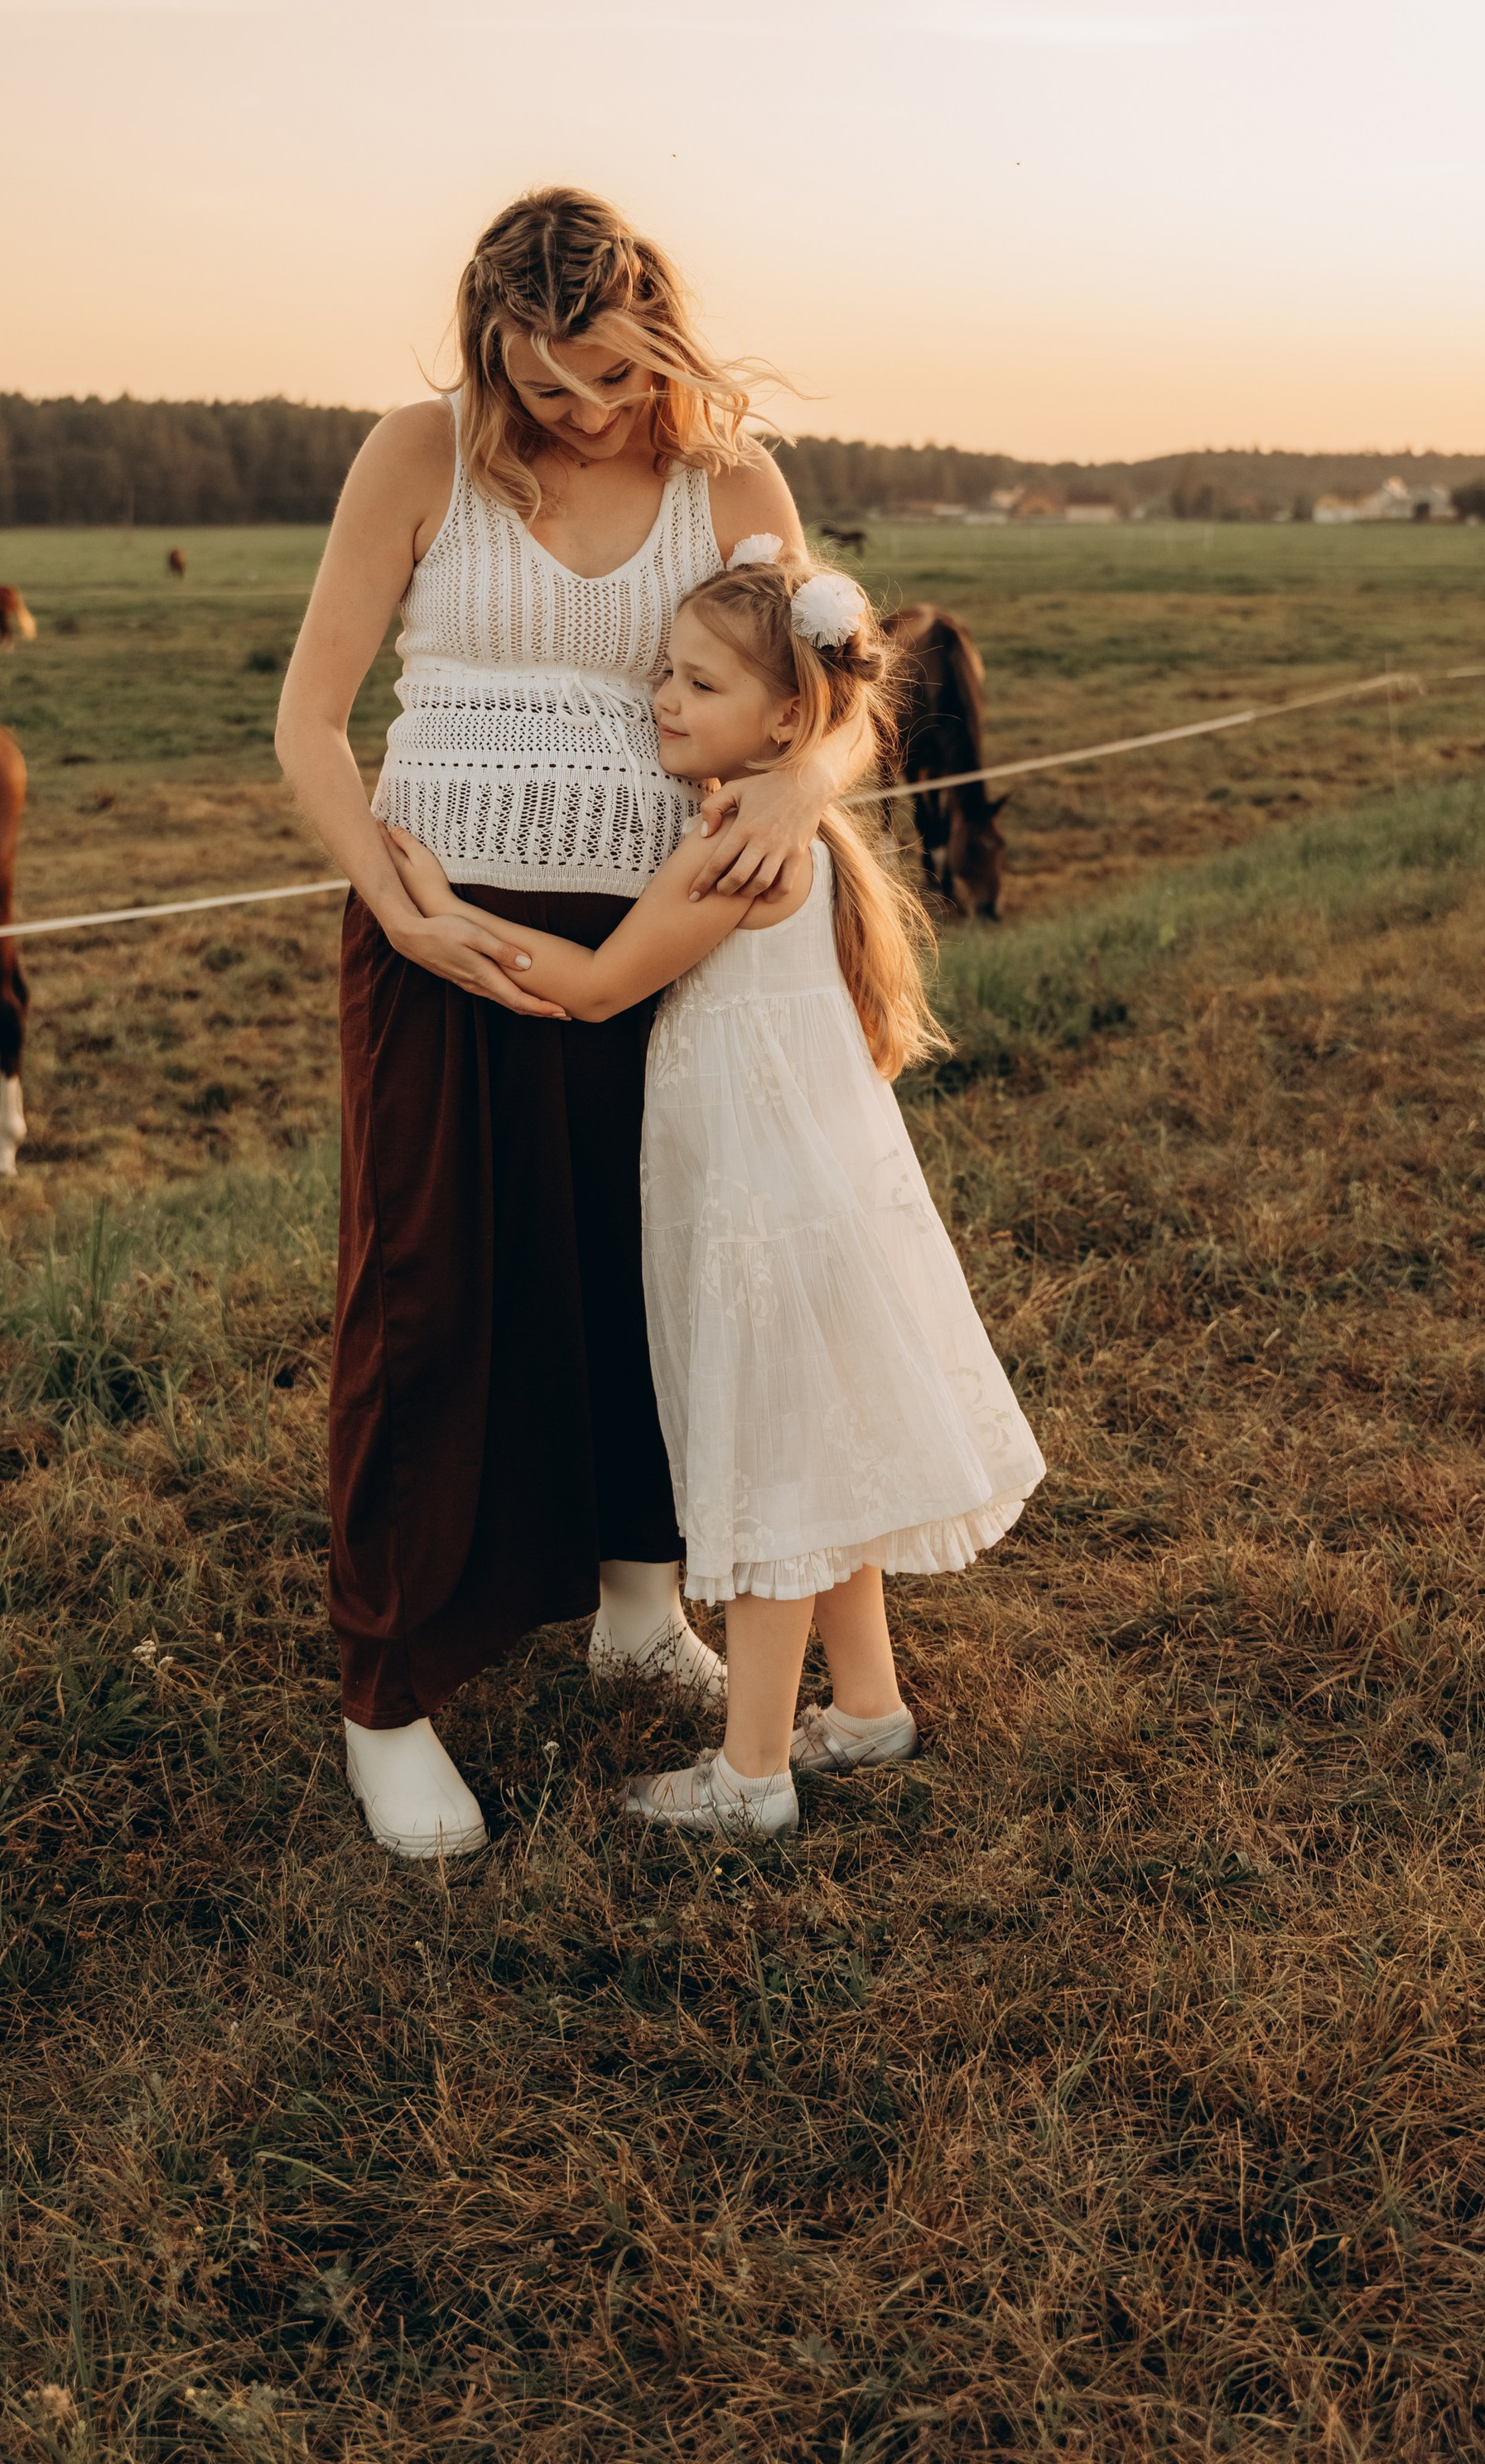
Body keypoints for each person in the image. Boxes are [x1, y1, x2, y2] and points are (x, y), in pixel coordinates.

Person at [275, 190, 852, 1859]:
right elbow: (310, 719)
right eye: (543, 382)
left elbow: (832, 693)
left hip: (668, 935)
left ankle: (636, 1597)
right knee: (429, 1289)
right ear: (487, 354)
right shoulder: (418, 456)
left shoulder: (731, 482)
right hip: (444, 932)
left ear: (659, 336)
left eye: (612, 373)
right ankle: (388, 1694)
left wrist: (802, 786)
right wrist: (393, 906)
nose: (585, 409)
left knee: (650, 1267)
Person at [382, 548, 1045, 1840]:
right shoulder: (797, 828)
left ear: (787, 720)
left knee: (777, 1481)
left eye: (697, 683)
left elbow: (595, 986)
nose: (664, 701)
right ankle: (867, 1704)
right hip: (816, 1193)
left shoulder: (735, 849)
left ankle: (751, 1775)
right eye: (665, 674)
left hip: (766, 1211)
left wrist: (442, 912)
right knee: (825, 1454)